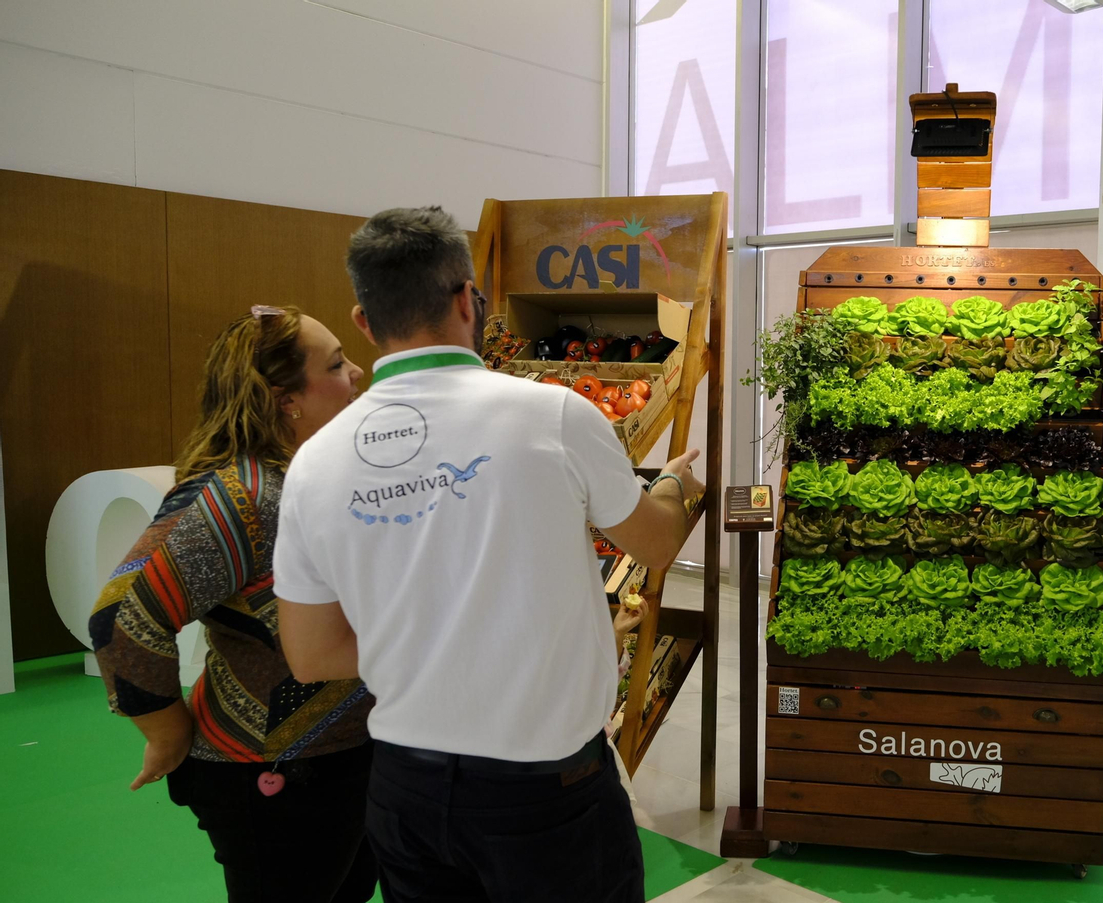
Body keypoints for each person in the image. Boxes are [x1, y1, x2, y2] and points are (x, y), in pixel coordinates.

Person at [273, 206, 703, 903]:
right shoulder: (556, 415)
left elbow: (312, 653)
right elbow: (653, 543)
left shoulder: (315, 465)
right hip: (545, 792)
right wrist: (678, 482)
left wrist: (425, 637)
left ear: (362, 318)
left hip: (403, 790)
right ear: (465, 299)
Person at [89, 306, 377, 903]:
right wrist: (168, 735)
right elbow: (121, 619)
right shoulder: (241, 497)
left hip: (339, 762)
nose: (357, 372)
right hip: (277, 776)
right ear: (286, 400)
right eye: (335, 363)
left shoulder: (304, 478)